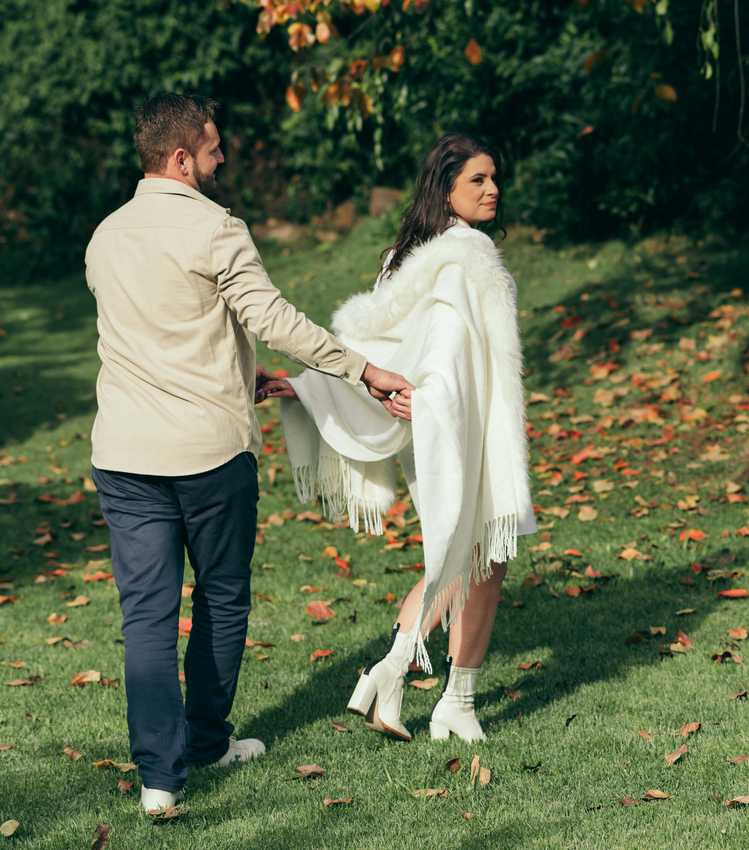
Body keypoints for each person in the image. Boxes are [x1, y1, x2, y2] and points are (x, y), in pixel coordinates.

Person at [85, 93, 414, 813]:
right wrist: (364, 369)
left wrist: (242, 374)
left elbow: (151, 333)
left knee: (145, 615)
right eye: (213, 147)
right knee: (222, 597)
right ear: (180, 158)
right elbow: (271, 318)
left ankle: (159, 779)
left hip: (124, 454)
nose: (222, 157)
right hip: (206, 454)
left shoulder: (105, 237)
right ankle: (206, 741)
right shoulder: (216, 227)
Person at [265, 133, 536, 744]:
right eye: (477, 181)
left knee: (474, 552)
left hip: (436, 419)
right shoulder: (469, 254)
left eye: (495, 178)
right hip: (455, 419)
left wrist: (308, 384)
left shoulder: (405, 258)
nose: (493, 190)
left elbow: (382, 347)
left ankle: (429, 692)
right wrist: (436, 397)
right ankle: (418, 683)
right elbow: (444, 344)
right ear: (447, 190)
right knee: (480, 551)